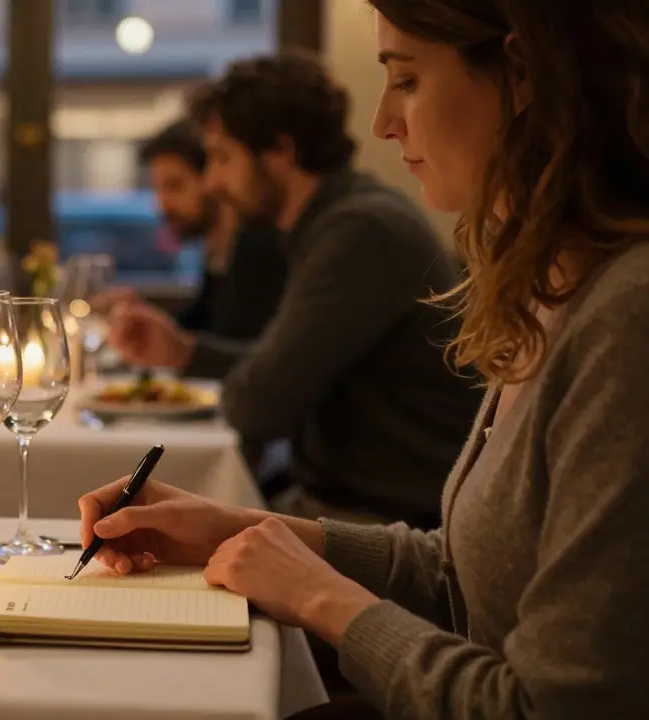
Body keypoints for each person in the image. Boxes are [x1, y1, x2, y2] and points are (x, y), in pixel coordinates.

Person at [79, 0, 649, 716]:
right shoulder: (551, 289)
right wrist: (240, 527)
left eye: (405, 80)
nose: (383, 123)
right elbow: (457, 576)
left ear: (521, 73)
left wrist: (318, 594)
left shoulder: (626, 319)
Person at [108, 53, 482, 526]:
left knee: (139, 536)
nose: (214, 181)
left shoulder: (360, 232)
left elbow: (257, 404)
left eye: (223, 157)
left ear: (280, 153)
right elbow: (273, 372)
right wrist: (184, 352)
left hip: (385, 523)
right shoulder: (337, 222)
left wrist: (219, 363)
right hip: (350, 503)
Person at [137, 120, 287, 341]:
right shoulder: (219, 248)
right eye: (157, 189)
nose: (162, 204)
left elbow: (245, 352)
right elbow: (200, 327)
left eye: (175, 185)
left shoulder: (261, 248)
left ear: (211, 178)